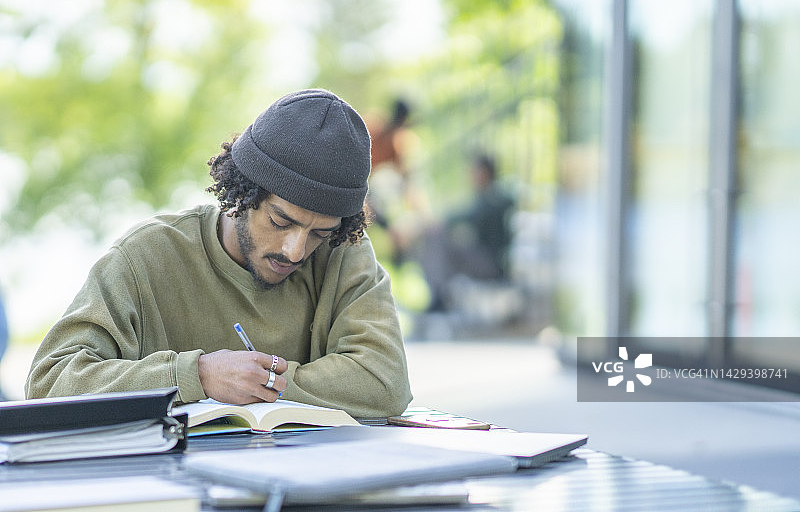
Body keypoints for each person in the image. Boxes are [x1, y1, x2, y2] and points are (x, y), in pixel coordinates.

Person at [25, 89, 413, 417]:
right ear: (241, 193)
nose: (295, 250)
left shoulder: (342, 251)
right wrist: (199, 376)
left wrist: (256, 381)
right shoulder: (147, 255)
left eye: (319, 233)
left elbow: (384, 380)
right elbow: (49, 382)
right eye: (281, 221)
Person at [419, 152, 515, 311]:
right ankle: (440, 294)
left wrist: (441, 221)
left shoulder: (495, 197)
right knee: (438, 243)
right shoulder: (485, 197)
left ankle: (439, 297)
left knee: (437, 240)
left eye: (475, 171)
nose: (471, 176)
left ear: (485, 172)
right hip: (482, 258)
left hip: (491, 264)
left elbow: (471, 214)